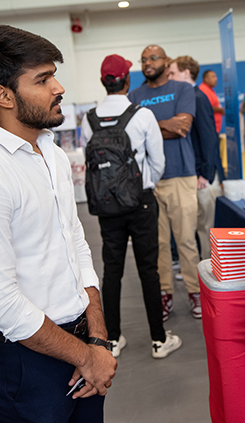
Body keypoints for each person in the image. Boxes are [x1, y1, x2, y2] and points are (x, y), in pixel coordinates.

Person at [0, 24, 116, 422]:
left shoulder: (50, 152)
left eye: (53, 74)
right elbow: (0, 301)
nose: (58, 87)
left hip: (80, 341)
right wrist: (87, 356)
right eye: (42, 79)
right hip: (22, 360)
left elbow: (75, 244)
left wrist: (98, 338)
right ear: (3, 95)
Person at [81, 54, 181, 358]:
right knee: (148, 269)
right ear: (128, 80)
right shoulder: (142, 115)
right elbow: (158, 163)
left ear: (102, 81)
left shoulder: (89, 119)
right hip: (141, 203)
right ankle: (158, 340)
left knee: (112, 270)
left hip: (106, 205)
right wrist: (141, 185)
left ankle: (112, 338)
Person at [128, 45, 201, 320]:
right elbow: (134, 137)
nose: (147, 63)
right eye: (144, 59)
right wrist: (165, 125)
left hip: (181, 175)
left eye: (153, 58)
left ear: (166, 61)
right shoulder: (134, 96)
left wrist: (149, 128)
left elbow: (183, 126)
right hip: (148, 180)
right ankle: (165, 294)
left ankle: (195, 293)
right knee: (157, 244)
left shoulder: (183, 90)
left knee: (186, 241)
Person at [168, 56, 224, 262]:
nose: (169, 77)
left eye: (173, 73)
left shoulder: (197, 98)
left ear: (186, 73)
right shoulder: (184, 97)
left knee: (206, 228)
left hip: (203, 176)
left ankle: (210, 272)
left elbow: (209, 138)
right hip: (194, 174)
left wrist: (204, 173)